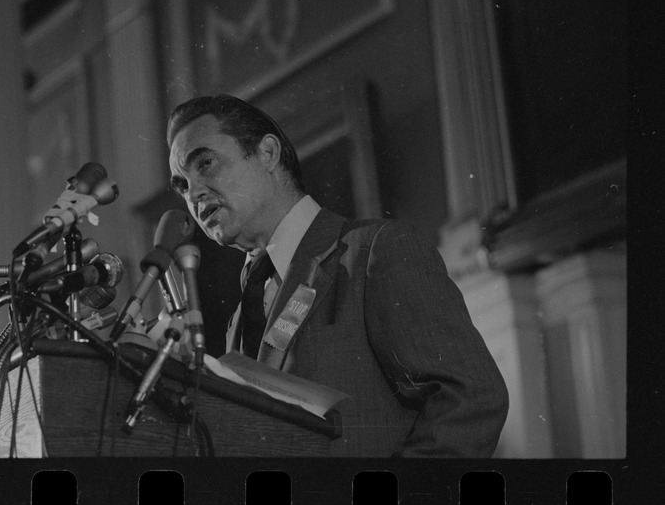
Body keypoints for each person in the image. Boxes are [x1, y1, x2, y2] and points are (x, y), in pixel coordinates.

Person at [166, 94, 509, 457]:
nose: (195, 193)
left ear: (267, 153)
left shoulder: (375, 250)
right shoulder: (241, 317)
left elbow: (470, 399)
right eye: (183, 185)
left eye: (205, 163)